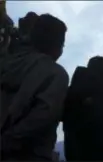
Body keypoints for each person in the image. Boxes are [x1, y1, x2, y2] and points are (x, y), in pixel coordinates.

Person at [0, 13, 69, 161]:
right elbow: (44, 115)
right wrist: (9, 139)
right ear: (56, 44)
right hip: (28, 153)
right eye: (62, 44)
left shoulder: (7, 62)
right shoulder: (56, 73)